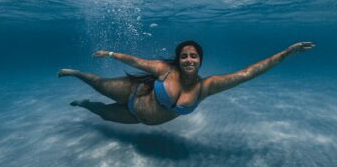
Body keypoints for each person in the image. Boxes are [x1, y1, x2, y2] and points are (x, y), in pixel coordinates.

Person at [57, 41, 314, 125]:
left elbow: (247, 73)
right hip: (134, 92)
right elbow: (135, 62)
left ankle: (82, 104)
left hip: (139, 118)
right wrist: (110, 54)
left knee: (101, 113)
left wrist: (286, 53)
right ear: (179, 60)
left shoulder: (206, 86)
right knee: (98, 83)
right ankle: (75, 73)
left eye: (193, 56)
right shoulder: (163, 70)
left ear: (200, 61)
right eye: (184, 56)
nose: (189, 59)